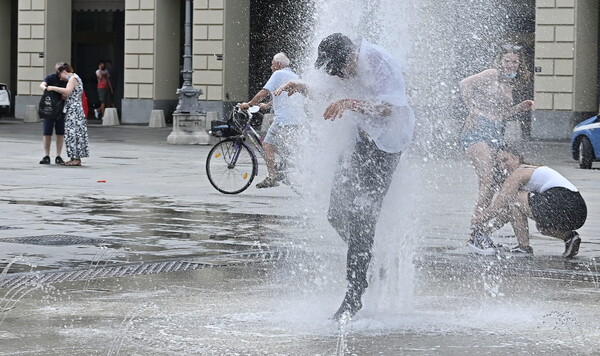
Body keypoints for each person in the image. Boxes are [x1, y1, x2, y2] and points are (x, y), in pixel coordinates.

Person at [275, 33, 415, 320]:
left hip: (386, 145)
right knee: (336, 213)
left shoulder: (379, 62)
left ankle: (354, 294)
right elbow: (332, 97)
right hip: (361, 142)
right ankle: (372, 262)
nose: (336, 75)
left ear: (351, 57)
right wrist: (302, 88)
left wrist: (351, 103)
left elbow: (390, 107)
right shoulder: (345, 64)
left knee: (363, 216)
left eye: (338, 70)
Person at [459, 45, 534, 253]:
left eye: (515, 62)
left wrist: (520, 108)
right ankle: (474, 237)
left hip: (494, 132)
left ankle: (477, 235)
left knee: (491, 185)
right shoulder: (491, 75)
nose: (511, 64)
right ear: (499, 62)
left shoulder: (508, 85)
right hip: (477, 131)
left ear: (520, 65)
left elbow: (501, 114)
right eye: (507, 61)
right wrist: (472, 110)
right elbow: (464, 84)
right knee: (487, 181)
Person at [472, 148, 587, 258]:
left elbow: (500, 204)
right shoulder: (532, 169)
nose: (502, 166)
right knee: (542, 227)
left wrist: (477, 221)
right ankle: (569, 237)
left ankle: (524, 248)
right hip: (578, 212)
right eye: (499, 163)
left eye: (505, 160)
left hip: (566, 203)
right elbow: (509, 213)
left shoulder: (519, 172)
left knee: (513, 199)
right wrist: (485, 231)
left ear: (517, 158)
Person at [239, 52, 305, 188]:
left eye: (272, 64)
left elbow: (264, 92)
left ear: (278, 65)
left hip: (285, 119)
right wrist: (267, 105)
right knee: (278, 137)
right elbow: (284, 96)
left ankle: (272, 176)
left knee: (267, 144)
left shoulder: (278, 74)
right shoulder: (293, 75)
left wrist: (249, 104)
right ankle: (286, 167)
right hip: (297, 119)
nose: (271, 66)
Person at [46, 63, 89, 166]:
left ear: (64, 72)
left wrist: (53, 88)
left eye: (60, 75)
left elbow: (68, 91)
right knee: (71, 134)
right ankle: (73, 157)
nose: (60, 79)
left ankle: (76, 159)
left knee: (74, 133)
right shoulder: (76, 77)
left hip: (74, 110)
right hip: (73, 108)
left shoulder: (73, 78)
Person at [38, 62, 67, 165]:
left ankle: (58, 156)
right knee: (47, 132)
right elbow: (42, 84)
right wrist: (45, 89)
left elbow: (67, 94)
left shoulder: (67, 80)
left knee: (60, 132)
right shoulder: (51, 77)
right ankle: (47, 155)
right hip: (49, 109)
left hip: (61, 109)